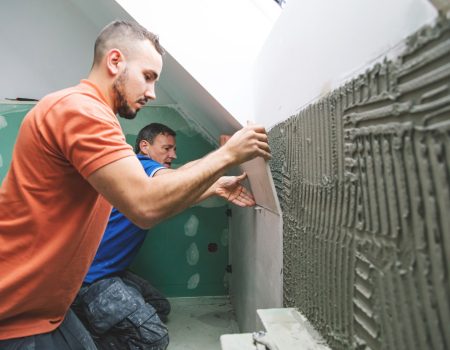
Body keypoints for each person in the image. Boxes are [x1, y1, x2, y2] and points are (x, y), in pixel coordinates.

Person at [0, 20, 270, 349]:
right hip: (15, 313)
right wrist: (228, 154)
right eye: (148, 76)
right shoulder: (81, 111)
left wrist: (212, 184)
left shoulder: (91, 114)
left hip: (46, 307)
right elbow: (146, 205)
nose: (152, 92)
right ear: (115, 61)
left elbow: (163, 183)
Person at [72, 122, 254, 349]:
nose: (173, 154)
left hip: (112, 271)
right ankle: (79, 328)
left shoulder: (148, 179)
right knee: (153, 338)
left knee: (159, 306)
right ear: (145, 147)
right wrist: (224, 160)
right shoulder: (140, 166)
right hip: (90, 280)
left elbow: (180, 176)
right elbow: (175, 183)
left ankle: (100, 314)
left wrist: (215, 184)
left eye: (174, 149)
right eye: (167, 148)